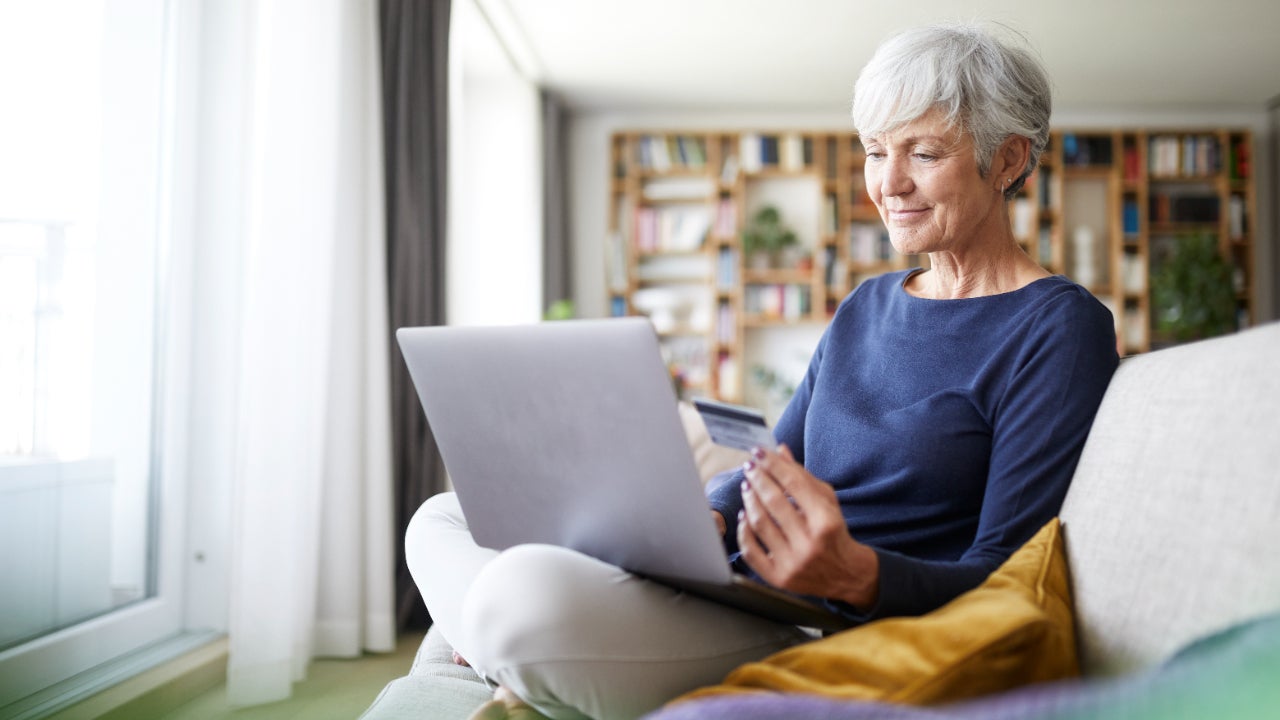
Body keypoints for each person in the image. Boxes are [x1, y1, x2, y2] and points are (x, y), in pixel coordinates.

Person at [407, 22, 1119, 720]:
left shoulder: (1058, 327)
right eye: (875, 151)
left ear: (1008, 161)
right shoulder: (867, 305)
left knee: (516, 598)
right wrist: (709, 515)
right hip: (740, 585)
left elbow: (1006, 578)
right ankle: (532, 662)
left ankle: (520, 662)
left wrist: (854, 574)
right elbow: (769, 464)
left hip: (826, 626)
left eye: (924, 152)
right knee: (440, 520)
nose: (889, 182)